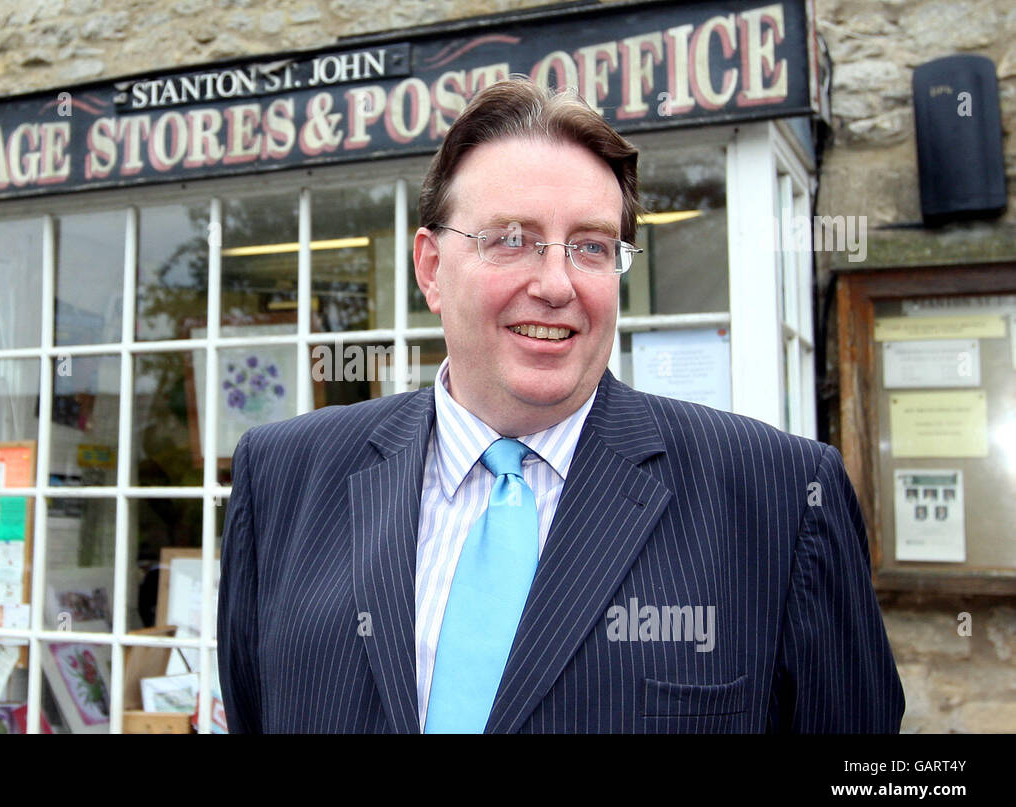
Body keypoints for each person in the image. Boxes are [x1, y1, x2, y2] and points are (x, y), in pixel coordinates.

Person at [217, 77, 905, 733]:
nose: (555, 284)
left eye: (590, 247)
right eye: (511, 239)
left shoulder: (782, 498)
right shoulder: (284, 476)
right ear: (430, 268)